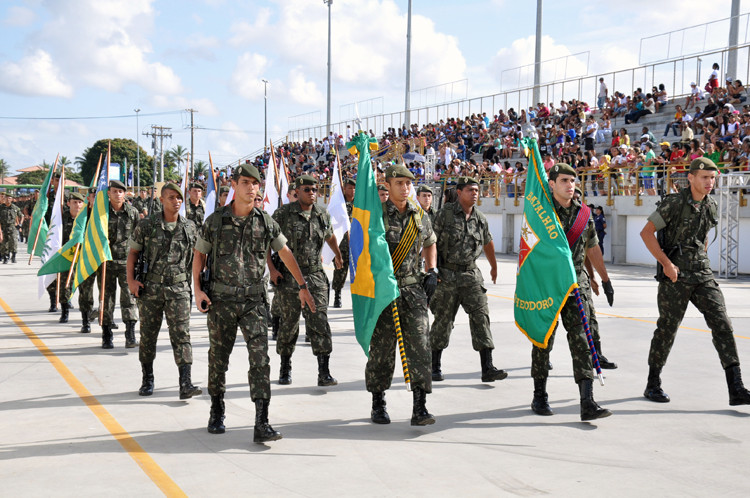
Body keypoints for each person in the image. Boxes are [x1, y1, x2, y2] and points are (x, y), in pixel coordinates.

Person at [193, 163, 314, 443]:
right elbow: (199, 255)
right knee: (218, 359)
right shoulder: (215, 221)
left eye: (255, 183)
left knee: (260, 360)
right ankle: (216, 409)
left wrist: (302, 286)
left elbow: (284, 253)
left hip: (254, 302)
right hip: (221, 301)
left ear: (259, 187)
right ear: (235, 185)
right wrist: (197, 289)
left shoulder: (265, 222)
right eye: (245, 182)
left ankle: (262, 421)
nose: (250, 187)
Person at [639, 157, 750, 406]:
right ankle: (652, 383)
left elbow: (704, 237)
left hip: (701, 274)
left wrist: (700, 259)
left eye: (712, 178)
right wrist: (667, 264)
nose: (710, 182)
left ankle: (736, 387)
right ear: (691, 177)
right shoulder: (674, 203)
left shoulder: (711, 205)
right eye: (704, 177)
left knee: (723, 323)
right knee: (667, 328)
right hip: (675, 276)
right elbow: (646, 233)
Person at [530, 163, 613, 421]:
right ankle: (539, 395)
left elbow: (593, 248)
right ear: (551, 184)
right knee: (544, 340)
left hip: (576, 284)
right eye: (564, 180)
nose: (570, 185)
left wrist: (605, 279)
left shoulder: (583, 214)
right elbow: (530, 250)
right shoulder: (540, 213)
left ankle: (587, 401)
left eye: (573, 181)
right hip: (548, 285)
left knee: (581, 341)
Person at [367, 164, 437, 426]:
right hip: (384, 291)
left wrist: (432, 270)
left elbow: (430, 242)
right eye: (400, 183)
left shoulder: (419, 215)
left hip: (413, 289)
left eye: (409, 183)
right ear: (388, 184)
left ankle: (420, 406)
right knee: (383, 350)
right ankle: (378, 402)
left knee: (420, 345)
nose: (406, 188)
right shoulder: (376, 215)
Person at [127, 183, 202, 400]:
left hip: (179, 289)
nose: (176, 201)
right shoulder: (147, 225)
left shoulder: (190, 227)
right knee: (148, 335)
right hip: (150, 289)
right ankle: (147, 378)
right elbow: (133, 253)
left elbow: (197, 259)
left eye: (179, 197)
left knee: (182, 335)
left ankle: (185, 382)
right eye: (171, 197)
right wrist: (131, 280)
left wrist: (197, 286)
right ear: (161, 200)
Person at [429, 176, 507, 383]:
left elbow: (488, 242)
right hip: (446, 275)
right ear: (460, 192)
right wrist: (431, 270)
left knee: (481, 317)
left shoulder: (480, 218)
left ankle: (487, 367)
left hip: (471, 275)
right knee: (443, 321)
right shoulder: (444, 214)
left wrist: (494, 266)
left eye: (477, 190)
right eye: (470, 190)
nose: (475, 193)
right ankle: (434, 365)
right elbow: (430, 243)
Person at [269, 175, 343, 386]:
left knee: (319, 321)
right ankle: (285, 367)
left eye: (315, 189)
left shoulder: (321, 213)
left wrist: (337, 254)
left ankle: (324, 371)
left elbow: (329, 236)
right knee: (288, 323)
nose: (312, 193)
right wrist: (272, 269)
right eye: (307, 189)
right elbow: (267, 242)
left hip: (315, 275)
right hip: (289, 277)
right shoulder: (283, 214)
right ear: (297, 191)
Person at [101, 180, 140, 349]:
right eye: (115, 191)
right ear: (108, 193)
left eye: (121, 191)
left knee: (129, 298)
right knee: (106, 299)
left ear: (125, 194)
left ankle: (130, 334)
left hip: (127, 263)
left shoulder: (133, 213)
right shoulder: (101, 213)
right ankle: (106, 335)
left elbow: (139, 238)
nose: (118, 194)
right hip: (105, 262)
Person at [47, 193, 86, 323]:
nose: (78, 205)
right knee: (64, 284)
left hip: (82, 256)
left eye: (80, 202)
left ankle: (85, 316)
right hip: (66, 256)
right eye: (75, 202)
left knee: (84, 287)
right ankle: (65, 311)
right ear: (68, 203)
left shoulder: (86, 217)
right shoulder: (61, 218)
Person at [77, 187, 99, 333]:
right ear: (88, 198)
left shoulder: (106, 214)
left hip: (104, 257)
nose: (95, 199)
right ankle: (86, 320)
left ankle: (106, 319)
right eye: (93, 196)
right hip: (86, 256)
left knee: (107, 292)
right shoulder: (83, 215)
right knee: (86, 290)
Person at [331, 178, 355, 309]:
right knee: (340, 271)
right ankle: (337, 295)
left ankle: (357, 298)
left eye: (354, 188)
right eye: (350, 188)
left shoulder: (359, 204)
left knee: (359, 273)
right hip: (342, 244)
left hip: (357, 244)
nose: (352, 191)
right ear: (344, 189)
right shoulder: (340, 205)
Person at [0, 193, 22, 264]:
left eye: (9, 198)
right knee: (4, 243)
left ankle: (14, 256)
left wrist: (20, 224)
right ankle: (5, 257)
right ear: (4, 199)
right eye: (6, 198)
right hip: (3, 227)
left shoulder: (15, 208)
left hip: (12, 227)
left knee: (14, 242)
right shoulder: (1, 207)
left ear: (12, 199)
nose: (8, 199)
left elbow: (21, 215)